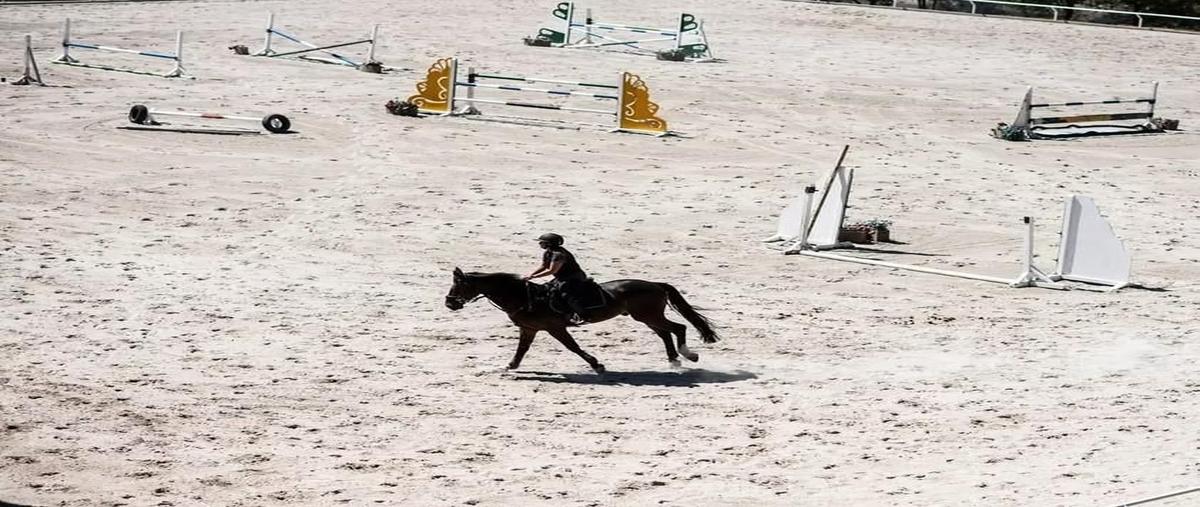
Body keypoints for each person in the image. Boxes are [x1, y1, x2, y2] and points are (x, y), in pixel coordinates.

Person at [523, 233, 590, 325]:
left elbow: (552, 270)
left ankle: (580, 315)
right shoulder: (548, 252)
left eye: (542, 242)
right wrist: (531, 274)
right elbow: (543, 266)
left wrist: (535, 277)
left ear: (549, 244)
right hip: (561, 277)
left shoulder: (558, 254)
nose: (540, 244)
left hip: (573, 276)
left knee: (566, 293)